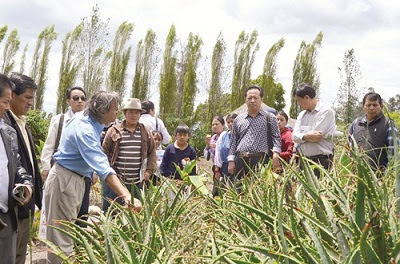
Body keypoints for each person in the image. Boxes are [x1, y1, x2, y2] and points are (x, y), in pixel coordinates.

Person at [44, 91, 142, 264]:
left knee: (72, 235)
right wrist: (126, 196)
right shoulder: (84, 129)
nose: (117, 112)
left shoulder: (89, 120)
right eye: (114, 109)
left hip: (77, 178)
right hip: (65, 181)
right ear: (102, 111)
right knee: (61, 240)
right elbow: (103, 167)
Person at [3, 72, 43, 264]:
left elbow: (23, 164)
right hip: (11, 207)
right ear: (12, 96)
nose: (30, 103)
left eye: (32, 98)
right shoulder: (5, 125)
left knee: (19, 255)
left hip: (24, 202)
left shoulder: (22, 123)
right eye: (27, 97)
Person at [40, 86, 93, 225]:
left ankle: (78, 244)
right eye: (76, 98)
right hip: (62, 173)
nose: (80, 101)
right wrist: (45, 167)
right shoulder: (60, 120)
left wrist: (94, 171)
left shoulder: (90, 122)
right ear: (68, 101)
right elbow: (49, 144)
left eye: (83, 98)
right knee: (60, 215)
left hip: (83, 174)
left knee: (82, 213)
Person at [0, 73, 33, 264]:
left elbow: (17, 165)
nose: (7, 107)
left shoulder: (7, 132)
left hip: (6, 215)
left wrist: (26, 184)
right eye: (5, 102)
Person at [102, 98, 157, 212]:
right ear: (125, 113)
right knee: (112, 212)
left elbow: (152, 152)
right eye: (131, 112)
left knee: (135, 213)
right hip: (116, 181)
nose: (134, 115)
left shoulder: (145, 131)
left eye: (137, 112)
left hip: (137, 182)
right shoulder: (114, 130)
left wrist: (149, 171)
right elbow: (104, 152)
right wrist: (109, 172)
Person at [228, 85, 281, 189]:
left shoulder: (270, 118)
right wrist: (231, 161)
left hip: (261, 161)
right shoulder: (238, 119)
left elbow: (276, 139)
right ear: (245, 100)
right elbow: (233, 141)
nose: (252, 101)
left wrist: (275, 156)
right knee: (239, 191)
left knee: (260, 191)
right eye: (249, 98)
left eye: (255, 98)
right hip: (241, 161)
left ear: (261, 99)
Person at [292, 83, 336, 177]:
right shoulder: (302, 115)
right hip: (303, 160)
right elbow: (294, 136)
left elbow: (316, 137)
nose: (298, 104)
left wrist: (301, 136)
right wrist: (306, 136)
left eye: (299, 101)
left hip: (321, 161)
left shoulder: (326, 112)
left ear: (307, 97)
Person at [349, 92, 399, 169]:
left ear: (381, 106)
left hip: (380, 176)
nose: (371, 108)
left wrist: (387, 175)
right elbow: (349, 147)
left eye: (375, 105)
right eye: (368, 105)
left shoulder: (388, 124)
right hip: (356, 175)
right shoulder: (356, 123)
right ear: (363, 107)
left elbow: (393, 152)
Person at [214, 113, 238, 194]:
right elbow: (218, 153)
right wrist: (217, 170)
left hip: (237, 167)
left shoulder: (241, 135)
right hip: (224, 168)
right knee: (221, 191)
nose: (231, 124)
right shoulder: (224, 136)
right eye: (228, 122)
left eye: (233, 121)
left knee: (235, 190)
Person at [204, 116, 225, 196]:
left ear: (223, 125)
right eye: (213, 125)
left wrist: (217, 146)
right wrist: (208, 146)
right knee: (216, 189)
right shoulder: (212, 138)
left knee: (224, 188)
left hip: (225, 167)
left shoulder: (226, 136)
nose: (214, 126)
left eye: (217, 124)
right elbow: (206, 156)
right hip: (215, 168)